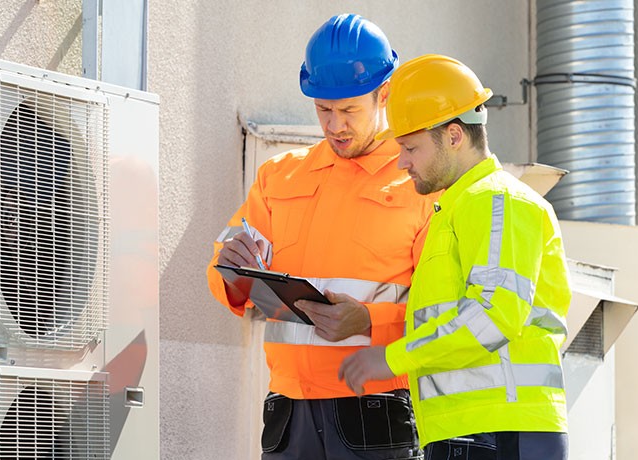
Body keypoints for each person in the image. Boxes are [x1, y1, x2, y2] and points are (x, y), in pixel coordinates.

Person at [206, 14, 438, 459]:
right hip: (288, 414)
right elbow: (223, 275)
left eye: (349, 109)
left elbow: (442, 311)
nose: (335, 126)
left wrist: (369, 320)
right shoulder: (278, 176)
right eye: (323, 109)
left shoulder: (419, 182)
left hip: (376, 408)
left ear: (384, 95)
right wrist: (232, 270)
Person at [333, 54, 572, 460]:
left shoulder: (496, 201)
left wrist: (391, 359)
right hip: (477, 432)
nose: (402, 161)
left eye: (410, 147)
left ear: (455, 136)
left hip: (499, 433)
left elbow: (492, 316)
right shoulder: (459, 210)